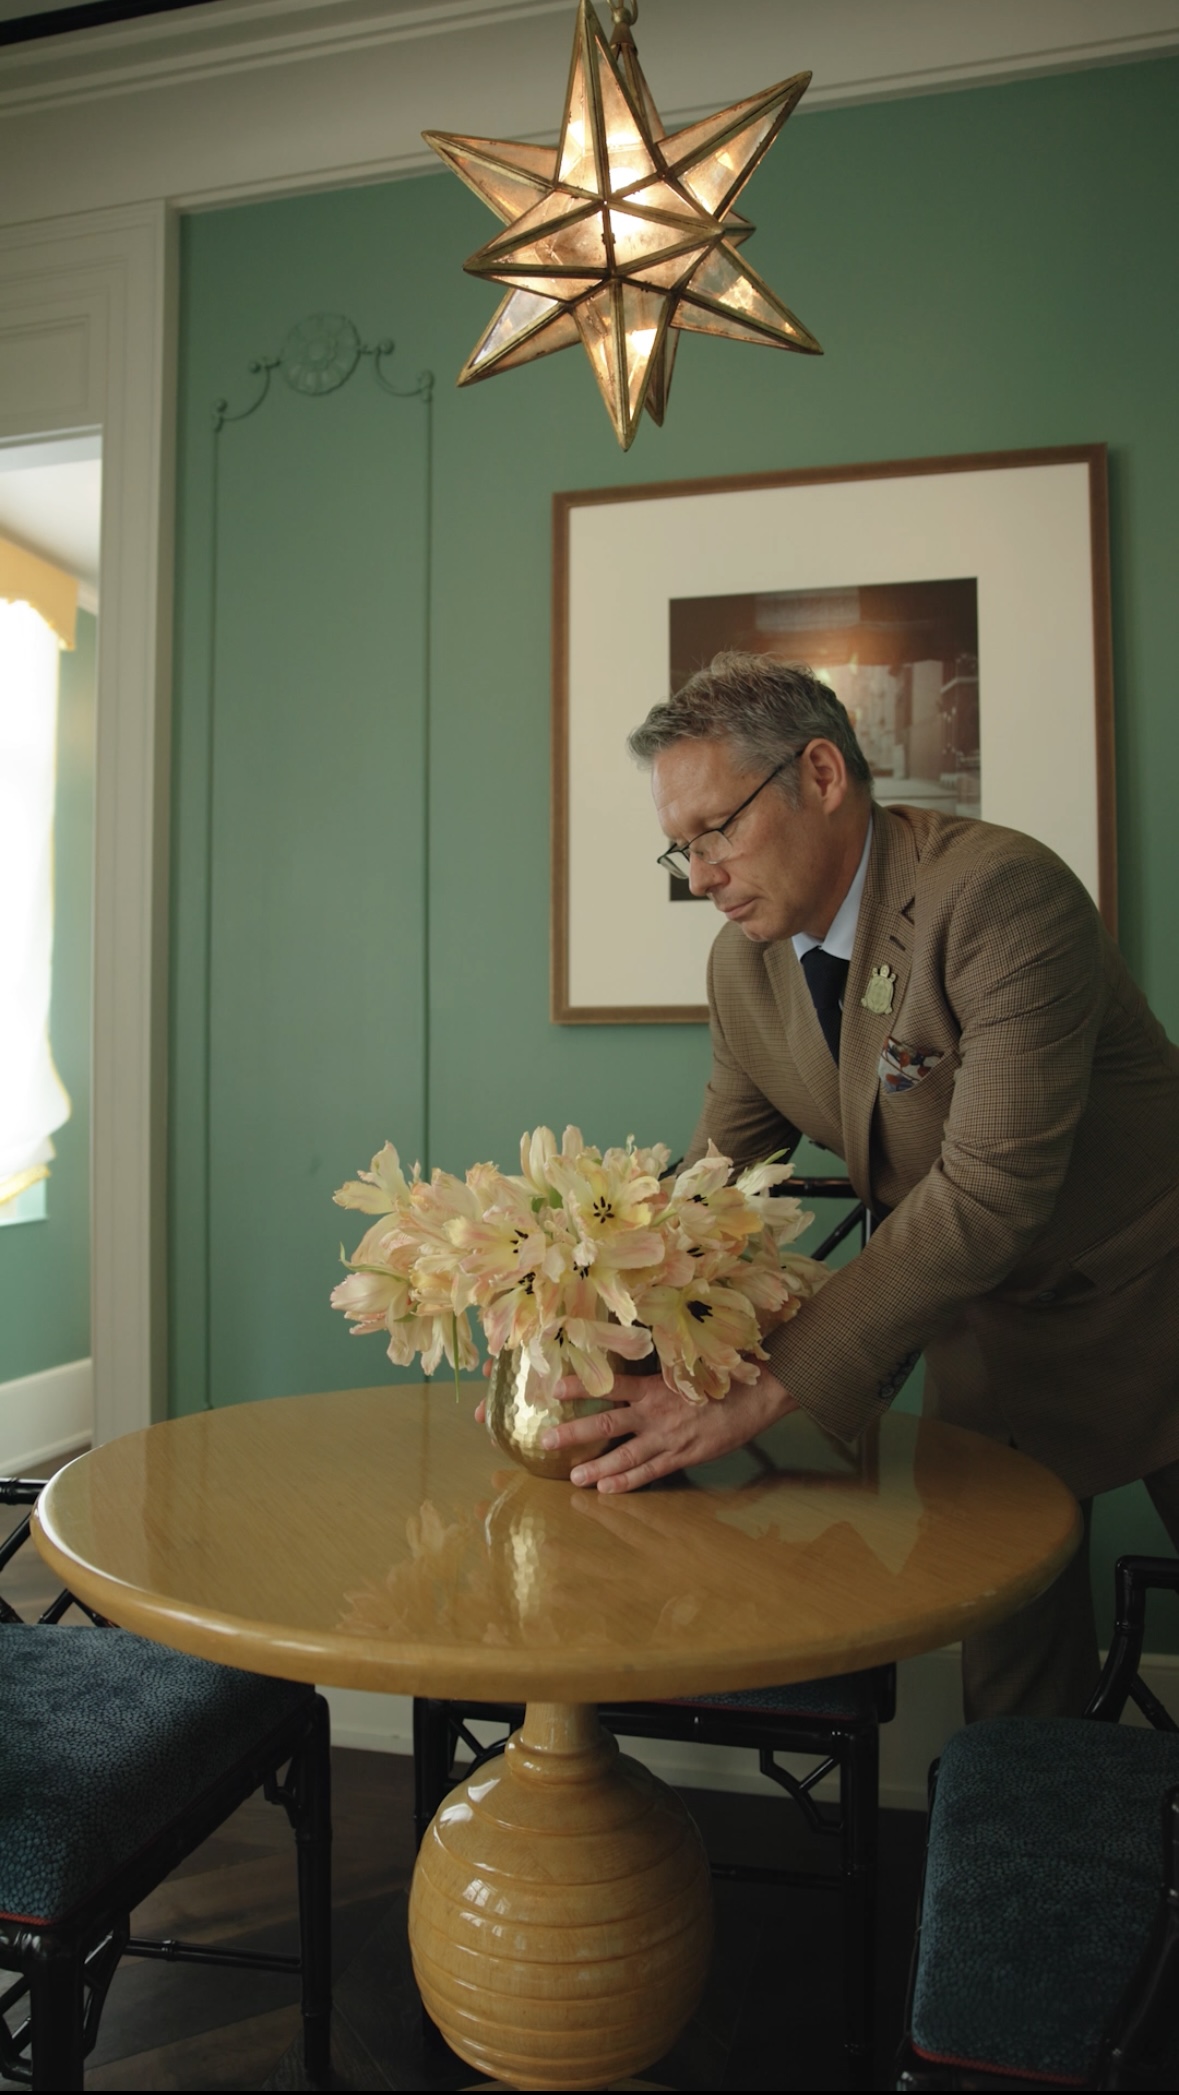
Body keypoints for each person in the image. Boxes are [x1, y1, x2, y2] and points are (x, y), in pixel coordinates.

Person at [540, 651, 1179, 1719]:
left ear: (823, 775)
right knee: (1013, 1671)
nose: (696, 875)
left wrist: (764, 1387)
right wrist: (582, 1345)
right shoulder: (743, 968)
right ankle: (1017, 1868)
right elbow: (712, 1199)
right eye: (679, 844)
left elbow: (986, 1193)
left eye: (716, 832)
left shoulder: (1000, 895)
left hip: (1156, 1297)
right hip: (988, 1328)